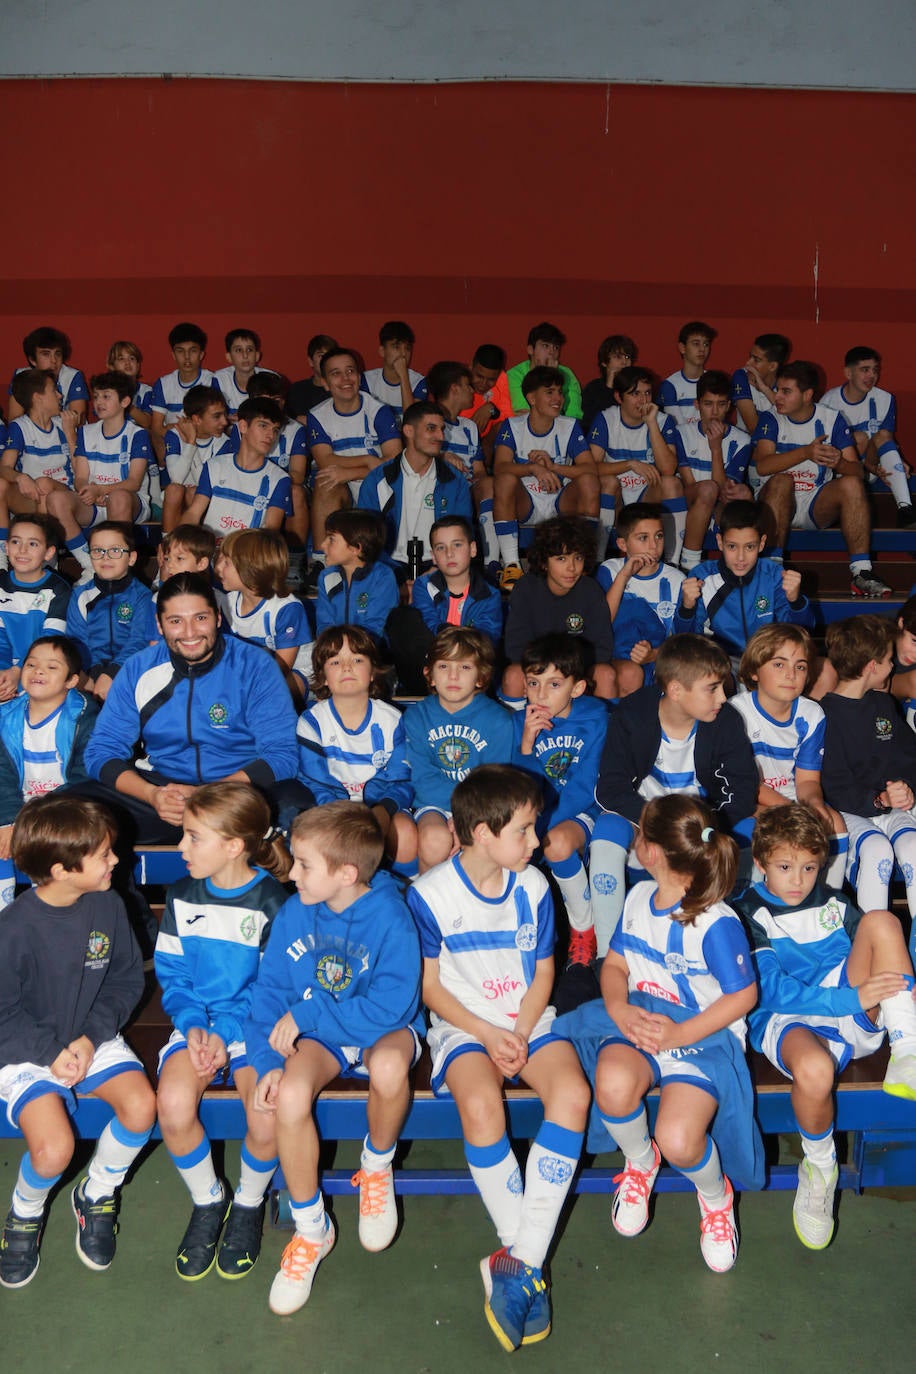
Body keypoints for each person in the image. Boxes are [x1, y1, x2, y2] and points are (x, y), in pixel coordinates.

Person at [409, 765, 590, 1351]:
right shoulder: (430, 894)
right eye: (526, 831)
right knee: (482, 1103)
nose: (537, 842)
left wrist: (516, 1029)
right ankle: (524, 1258)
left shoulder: (534, 887)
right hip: (463, 1025)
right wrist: (487, 1033)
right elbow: (431, 988)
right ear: (483, 834)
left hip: (526, 1018)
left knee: (573, 1095)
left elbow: (544, 973)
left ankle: (518, 1262)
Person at [554, 795, 760, 1273]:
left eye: (639, 833)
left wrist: (679, 1033)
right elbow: (616, 964)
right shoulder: (637, 898)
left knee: (680, 1138)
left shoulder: (716, 922)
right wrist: (619, 1008)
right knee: (611, 1083)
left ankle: (715, 1198)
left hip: (702, 1034)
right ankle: (639, 1160)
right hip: (643, 1020)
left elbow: (743, 997)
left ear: (651, 851)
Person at [246, 803, 423, 1315]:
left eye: (303, 864)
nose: (292, 873)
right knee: (291, 1094)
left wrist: (309, 1015)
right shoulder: (295, 911)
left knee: (389, 1067)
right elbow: (270, 994)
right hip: (320, 1032)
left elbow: (393, 1007)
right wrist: (267, 1061)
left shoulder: (391, 915)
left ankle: (376, 1167)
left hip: (380, 1027)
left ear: (346, 874)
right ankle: (311, 1229)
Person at [734, 804, 916, 1249]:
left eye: (809, 867)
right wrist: (854, 998)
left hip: (846, 1002)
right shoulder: (748, 913)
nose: (797, 880)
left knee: (882, 921)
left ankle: (908, 1047)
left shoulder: (834, 903)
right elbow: (774, 992)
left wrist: (869, 994)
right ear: (760, 863)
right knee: (814, 1070)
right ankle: (820, 1167)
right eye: (784, 866)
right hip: (790, 1017)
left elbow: (872, 952)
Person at [0, 795, 155, 1288]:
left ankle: (98, 1190)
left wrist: (90, 1038)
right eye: (105, 854)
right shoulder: (13, 931)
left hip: (92, 1033)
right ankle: (24, 1212)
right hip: (25, 1048)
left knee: (141, 1107)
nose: (117, 859)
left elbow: (127, 981)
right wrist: (52, 1053)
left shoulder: (109, 905)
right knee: (53, 1151)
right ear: (62, 870)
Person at [155, 782, 291, 1281]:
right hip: (197, 1027)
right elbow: (174, 976)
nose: (181, 848)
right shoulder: (181, 896)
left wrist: (227, 1030)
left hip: (254, 1029)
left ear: (234, 846)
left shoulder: (273, 903)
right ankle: (209, 1199)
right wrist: (194, 1027)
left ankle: (250, 1204)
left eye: (193, 837)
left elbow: (273, 989)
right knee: (171, 1105)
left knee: (266, 1115)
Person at [83, 572, 305, 843]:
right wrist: (152, 795)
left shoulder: (255, 665)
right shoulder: (138, 669)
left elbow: (283, 754)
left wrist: (212, 793)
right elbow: (101, 751)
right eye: (176, 621)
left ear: (218, 618)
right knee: (72, 811)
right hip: (164, 796)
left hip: (238, 793)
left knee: (297, 809)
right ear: (160, 625)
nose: (189, 633)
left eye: (200, 618)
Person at [590, 635, 757, 953]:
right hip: (644, 820)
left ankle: (747, 940)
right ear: (677, 690)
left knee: (749, 830)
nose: (723, 697)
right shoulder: (633, 714)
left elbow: (742, 792)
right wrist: (655, 824)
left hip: (701, 825)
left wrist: (701, 830)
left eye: (723, 686)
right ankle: (607, 951)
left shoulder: (726, 721)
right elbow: (611, 788)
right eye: (713, 688)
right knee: (606, 832)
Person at [819, 615, 916, 959]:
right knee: (878, 852)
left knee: (913, 848)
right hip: (850, 814)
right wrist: (879, 798)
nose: (893, 667)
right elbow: (832, 786)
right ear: (873, 666)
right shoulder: (823, 715)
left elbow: (909, 758)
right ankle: (872, 954)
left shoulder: (883, 705)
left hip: (889, 809)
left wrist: (907, 789)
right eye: (890, 660)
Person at [752, 360, 891, 598]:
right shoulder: (770, 418)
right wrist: (806, 452)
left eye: (786, 391)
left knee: (851, 483)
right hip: (773, 501)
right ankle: (772, 569)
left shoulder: (832, 419)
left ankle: (862, 572)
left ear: (807, 395)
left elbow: (858, 473)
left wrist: (839, 463)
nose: (778, 397)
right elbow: (763, 466)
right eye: (778, 390)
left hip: (815, 502)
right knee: (782, 481)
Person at [513, 635, 607, 969]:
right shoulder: (519, 723)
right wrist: (526, 746)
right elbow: (517, 788)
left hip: (583, 812)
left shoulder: (596, 719)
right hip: (534, 817)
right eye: (533, 683)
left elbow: (585, 788)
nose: (541, 694)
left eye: (554, 684)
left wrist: (538, 829)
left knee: (555, 845)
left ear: (577, 688)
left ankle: (584, 929)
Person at [730, 623, 848, 886]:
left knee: (833, 821)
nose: (791, 674)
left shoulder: (811, 714)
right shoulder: (735, 714)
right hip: (750, 799)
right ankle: (753, 901)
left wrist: (814, 806)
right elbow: (746, 785)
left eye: (800, 666)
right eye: (779, 664)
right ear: (754, 671)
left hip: (792, 798)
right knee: (761, 828)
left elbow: (807, 781)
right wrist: (794, 812)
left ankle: (828, 901)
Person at [296, 626, 416, 867]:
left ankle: (398, 889)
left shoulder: (392, 721)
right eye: (335, 662)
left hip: (379, 805)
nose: (347, 667)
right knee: (321, 837)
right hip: (331, 807)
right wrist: (345, 815)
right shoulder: (312, 722)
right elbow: (315, 780)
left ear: (372, 672)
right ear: (323, 677)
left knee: (405, 834)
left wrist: (380, 811)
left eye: (357, 659)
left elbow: (402, 780)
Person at [404, 626, 514, 872]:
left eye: (464, 667)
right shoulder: (416, 717)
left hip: (483, 805)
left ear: (481, 676)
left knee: (481, 843)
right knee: (434, 840)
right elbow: (422, 778)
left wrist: (466, 816)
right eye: (444, 666)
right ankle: (426, 906)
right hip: (433, 802)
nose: (453, 676)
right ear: (429, 674)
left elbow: (493, 781)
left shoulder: (499, 721)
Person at [0, 635, 96, 910]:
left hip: (64, 809)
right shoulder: (5, 716)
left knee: (47, 843)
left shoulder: (84, 716)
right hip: (15, 809)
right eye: (31, 665)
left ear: (71, 681)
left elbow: (85, 776)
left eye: (52, 667)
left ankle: (45, 919)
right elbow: (2, 774)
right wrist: (8, 820)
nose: (38, 671)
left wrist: (34, 817)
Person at [673, 499, 814, 672]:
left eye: (749, 547)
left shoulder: (774, 576)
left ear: (761, 544)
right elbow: (685, 641)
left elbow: (801, 634)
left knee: (825, 671)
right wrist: (687, 608)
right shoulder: (702, 577)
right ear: (720, 542)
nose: (740, 557)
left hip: (767, 660)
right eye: (732, 546)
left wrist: (796, 601)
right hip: (722, 663)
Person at [492, 367, 597, 589]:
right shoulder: (512, 426)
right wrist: (534, 469)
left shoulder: (569, 426)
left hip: (560, 501)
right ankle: (512, 565)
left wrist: (553, 466)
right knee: (505, 480)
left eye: (560, 392)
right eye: (549, 392)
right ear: (531, 398)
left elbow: (589, 468)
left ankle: (587, 563)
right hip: (526, 503)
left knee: (589, 481)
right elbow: (500, 467)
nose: (558, 398)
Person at [502, 516, 616, 702]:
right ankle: (518, 729)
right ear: (544, 562)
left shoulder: (591, 590)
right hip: (537, 670)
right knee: (513, 674)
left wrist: (567, 673)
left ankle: (597, 729)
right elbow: (515, 646)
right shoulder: (526, 588)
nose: (571, 568)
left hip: (577, 672)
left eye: (577, 558)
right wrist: (548, 672)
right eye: (561, 558)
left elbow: (602, 648)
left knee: (605, 673)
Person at [357, 401, 474, 577]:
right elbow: (364, 540)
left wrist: (440, 571)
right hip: (387, 570)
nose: (440, 436)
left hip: (440, 569)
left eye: (442, 429)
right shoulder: (378, 479)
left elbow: (463, 538)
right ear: (409, 431)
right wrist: (389, 577)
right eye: (431, 428)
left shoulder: (455, 481)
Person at [46, 371, 151, 563]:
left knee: (118, 497)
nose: (99, 402)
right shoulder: (86, 432)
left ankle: (118, 564)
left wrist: (102, 489)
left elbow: (134, 482)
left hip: (129, 502)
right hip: (94, 501)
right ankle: (88, 563)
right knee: (55, 499)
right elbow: (80, 477)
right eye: (95, 397)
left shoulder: (137, 434)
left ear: (125, 402)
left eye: (106, 396)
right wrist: (87, 490)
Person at [587, 365, 685, 565]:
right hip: (617, 502)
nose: (643, 400)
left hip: (646, 498)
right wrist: (630, 464)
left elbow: (668, 469)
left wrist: (651, 424)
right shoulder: (606, 419)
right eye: (635, 394)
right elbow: (589, 467)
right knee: (607, 482)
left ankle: (672, 563)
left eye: (647, 393)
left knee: (671, 483)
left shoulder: (662, 420)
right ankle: (598, 563)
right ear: (618, 397)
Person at [214, 529, 314, 702]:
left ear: (250, 568)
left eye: (226, 562)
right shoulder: (227, 602)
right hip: (247, 671)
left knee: (270, 696)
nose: (217, 567)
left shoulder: (285, 608)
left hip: (295, 673)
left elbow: (280, 669)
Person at [596, 502, 684, 696]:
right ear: (622, 544)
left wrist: (654, 654)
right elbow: (600, 625)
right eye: (643, 538)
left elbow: (684, 642)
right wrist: (624, 576)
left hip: (658, 663)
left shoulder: (676, 580)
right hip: (612, 662)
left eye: (659, 536)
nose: (653, 546)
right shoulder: (610, 571)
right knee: (626, 674)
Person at [821, 346, 915, 526]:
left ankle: (906, 510)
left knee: (883, 436)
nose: (872, 375)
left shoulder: (885, 399)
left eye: (875, 370)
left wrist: (895, 460)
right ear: (848, 373)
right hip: (842, 473)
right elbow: (826, 451)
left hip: (873, 468)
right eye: (865, 370)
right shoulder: (828, 402)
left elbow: (885, 439)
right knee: (859, 438)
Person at [672, 369, 753, 568]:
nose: (714, 412)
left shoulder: (743, 441)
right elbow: (689, 485)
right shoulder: (680, 434)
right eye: (708, 404)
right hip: (689, 500)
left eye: (721, 404)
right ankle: (689, 565)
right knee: (707, 490)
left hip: (719, 505)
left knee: (742, 495)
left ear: (729, 406)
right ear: (697, 405)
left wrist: (715, 449)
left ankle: (739, 567)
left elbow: (724, 492)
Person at [65, 521, 154, 701]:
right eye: (97, 550)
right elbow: (77, 641)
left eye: (115, 550)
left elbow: (139, 641)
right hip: (89, 674)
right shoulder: (80, 596)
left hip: (129, 671)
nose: (105, 557)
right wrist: (96, 675)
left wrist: (112, 673)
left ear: (131, 558)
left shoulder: (143, 596)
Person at [183, 397, 291, 539]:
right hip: (210, 553)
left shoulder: (280, 479)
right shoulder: (214, 465)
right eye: (263, 426)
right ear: (243, 426)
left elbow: (270, 534)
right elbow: (193, 513)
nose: (270, 435)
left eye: (275, 430)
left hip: (249, 556)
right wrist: (175, 542)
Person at [425, 360, 497, 568]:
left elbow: (480, 470)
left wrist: (480, 479)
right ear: (455, 389)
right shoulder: (427, 419)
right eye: (468, 386)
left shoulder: (470, 427)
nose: (472, 391)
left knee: (490, 484)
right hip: (439, 486)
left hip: (468, 487)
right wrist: (441, 456)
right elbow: (413, 456)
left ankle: (491, 562)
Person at [0, 513, 70, 700]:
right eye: (15, 542)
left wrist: (19, 671)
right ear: (6, 547)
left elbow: (50, 643)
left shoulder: (59, 591)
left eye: (33, 544)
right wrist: (4, 676)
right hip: (8, 674)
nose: (22, 550)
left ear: (48, 553)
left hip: (41, 674)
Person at [1, 367, 76, 528]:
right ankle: (2, 548)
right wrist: (20, 477)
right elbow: (4, 468)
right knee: (1, 484)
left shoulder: (65, 424)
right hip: (33, 494)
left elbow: (81, 470)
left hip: (65, 493)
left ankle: (46, 545)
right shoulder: (19, 426)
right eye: (54, 391)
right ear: (38, 398)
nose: (60, 395)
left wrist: (71, 434)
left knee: (44, 484)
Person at [314, 507, 399, 641]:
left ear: (356, 548)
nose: (323, 545)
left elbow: (376, 627)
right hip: (336, 651)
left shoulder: (382, 576)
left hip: (371, 653)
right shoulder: (327, 577)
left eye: (331, 539)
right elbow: (324, 625)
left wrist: (349, 650)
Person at [161, 384, 230, 533]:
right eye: (217, 416)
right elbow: (176, 478)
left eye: (224, 415)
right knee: (173, 490)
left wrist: (189, 443)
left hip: (205, 501)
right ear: (197, 419)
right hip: (177, 500)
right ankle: (167, 546)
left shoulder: (224, 443)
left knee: (195, 492)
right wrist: (191, 442)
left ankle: (198, 547)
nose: (225, 422)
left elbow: (205, 484)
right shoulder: (174, 435)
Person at [149, 322, 217, 464]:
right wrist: (190, 428)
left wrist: (175, 427)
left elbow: (212, 426)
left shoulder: (212, 381)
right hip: (173, 449)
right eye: (180, 351)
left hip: (205, 449)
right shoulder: (163, 384)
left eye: (192, 351)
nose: (187, 357)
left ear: (201, 354)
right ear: (173, 355)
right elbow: (156, 429)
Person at [7, 326, 88, 426]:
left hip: (65, 433)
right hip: (33, 434)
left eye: (57, 354)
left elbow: (77, 420)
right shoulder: (21, 376)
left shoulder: (73, 376)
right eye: (46, 354)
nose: (54, 360)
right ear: (32, 360)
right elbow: (14, 419)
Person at [506, 321, 583, 419]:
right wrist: (548, 375)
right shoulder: (514, 375)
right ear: (530, 350)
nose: (551, 352)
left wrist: (553, 375)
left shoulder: (567, 374)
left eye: (556, 348)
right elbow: (525, 416)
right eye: (545, 346)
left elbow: (574, 416)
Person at [361, 319, 427, 420]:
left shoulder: (419, 381)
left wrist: (404, 376)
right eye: (397, 347)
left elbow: (412, 420)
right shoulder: (367, 380)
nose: (403, 353)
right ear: (382, 351)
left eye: (408, 348)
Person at [657, 321, 717, 428]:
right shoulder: (670, 385)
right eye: (696, 344)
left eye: (706, 344)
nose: (702, 349)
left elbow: (718, 421)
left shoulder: (716, 381)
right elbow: (677, 429)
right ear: (682, 348)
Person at [731, 332, 791, 436]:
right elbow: (753, 429)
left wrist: (765, 389)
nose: (748, 363)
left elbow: (795, 419)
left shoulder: (788, 382)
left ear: (772, 366)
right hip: (748, 447)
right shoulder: (742, 376)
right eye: (750, 356)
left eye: (756, 360)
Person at [580, 333, 637, 432]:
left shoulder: (638, 387)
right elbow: (590, 422)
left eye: (627, 357)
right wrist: (609, 387)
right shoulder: (593, 388)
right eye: (618, 357)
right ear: (604, 362)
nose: (624, 362)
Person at [213, 328, 264, 417]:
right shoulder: (219, 380)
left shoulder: (270, 379)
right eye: (238, 350)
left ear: (257, 355)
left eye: (249, 350)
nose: (245, 355)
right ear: (228, 357)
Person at [287, 333, 338, 423]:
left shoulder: (343, 388)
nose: (326, 360)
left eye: (330, 355)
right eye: (321, 355)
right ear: (311, 361)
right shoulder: (297, 391)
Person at [107, 339, 152, 431]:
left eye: (132, 358)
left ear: (138, 365)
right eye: (121, 358)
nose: (127, 362)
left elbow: (147, 422)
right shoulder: (106, 391)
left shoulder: (147, 391)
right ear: (112, 366)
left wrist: (125, 403)